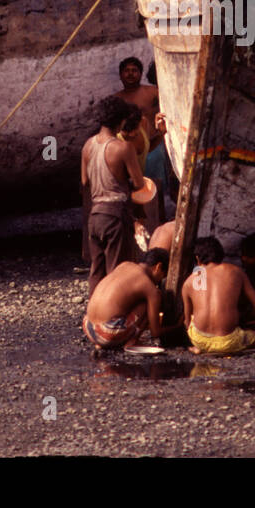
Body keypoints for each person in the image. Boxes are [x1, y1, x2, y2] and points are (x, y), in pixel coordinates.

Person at [81, 96, 148, 295]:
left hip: (95, 215)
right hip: (116, 214)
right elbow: (139, 184)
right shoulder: (123, 148)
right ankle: (113, 314)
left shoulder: (88, 145)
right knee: (117, 270)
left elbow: (85, 182)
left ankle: (93, 314)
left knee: (97, 269)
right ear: (121, 121)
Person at [182, 237, 255, 354]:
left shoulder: (189, 282)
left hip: (198, 339)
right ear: (220, 254)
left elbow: (187, 322)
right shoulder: (235, 271)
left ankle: (202, 347)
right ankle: (217, 345)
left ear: (197, 259)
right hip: (228, 341)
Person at [82, 249, 169, 349]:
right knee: (148, 301)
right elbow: (155, 332)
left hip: (88, 325)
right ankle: (132, 342)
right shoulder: (149, 287)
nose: (160, 281)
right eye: (163, 276)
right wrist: (177, 327)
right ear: (158, 267)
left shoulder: (124, 265)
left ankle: (102, 342)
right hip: (107, 334)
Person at [115, 57, 168, 219]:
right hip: (130, 151)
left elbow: (169, 104)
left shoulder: (152, 92)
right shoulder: (117, 99)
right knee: (138, 187)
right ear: (120, 75)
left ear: (140, 73)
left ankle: (160, 215)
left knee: (158, 185)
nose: (130, 74)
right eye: (126, 71)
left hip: (154, 145)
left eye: (134, 71)